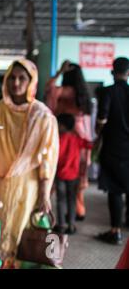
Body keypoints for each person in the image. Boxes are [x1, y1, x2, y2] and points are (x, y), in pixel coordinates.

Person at [0, 59, 59, 267]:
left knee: (21, 236)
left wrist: (44, 195)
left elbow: (48, 160)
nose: (16, 83)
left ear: (31, 81)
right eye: (12, 78)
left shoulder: (42, 116)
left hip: (28, 186)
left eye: (22, 78)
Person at [45, 61, 93, 221]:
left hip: (66, 134)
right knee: (78, 174)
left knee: (59, 172)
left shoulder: (67, 91)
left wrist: (58, 72)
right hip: (81, 135)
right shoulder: (84, 95)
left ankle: (50, 210)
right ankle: (79, 211)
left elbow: (50, 90)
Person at [95, 57, 129, 245]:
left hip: (113, 148)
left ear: (112, 71)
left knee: (115, 190)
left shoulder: (108, 92)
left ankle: (115, 231)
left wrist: (97, 133)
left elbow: (102, 119)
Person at [54, 113, 93, 235]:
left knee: (60, 200)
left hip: (60, 174)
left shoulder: (58, 139)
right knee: (72, 200)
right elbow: (89, 144)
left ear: (62, 126)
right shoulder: (76, 139)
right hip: (73, 175)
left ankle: (60, 225)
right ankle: (71, 225)